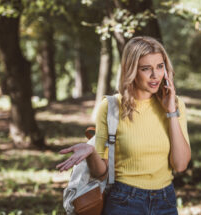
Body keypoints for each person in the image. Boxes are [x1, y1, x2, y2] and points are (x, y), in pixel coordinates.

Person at [56, 36, 191, 215]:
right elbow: (101, 173)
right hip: (125, 201)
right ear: (132, 70)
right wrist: (91, 154)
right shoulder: (111, 107)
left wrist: (171, 111)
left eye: (160, 66)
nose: (155, 75)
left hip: (165, 201)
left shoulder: (176, 105)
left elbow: (180, 165)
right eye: (146, 69)